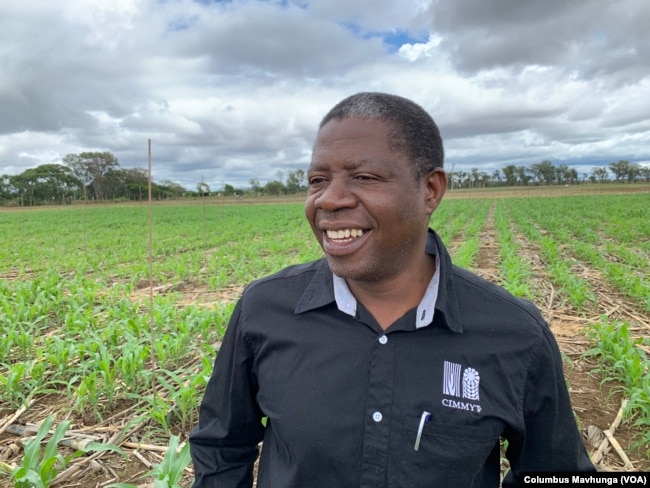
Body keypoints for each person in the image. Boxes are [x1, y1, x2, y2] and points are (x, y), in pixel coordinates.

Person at [189, 92, 595, 487]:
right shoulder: (263, 309)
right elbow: (222, 447)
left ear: (430, 190)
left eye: (364, 177)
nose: (329, 200)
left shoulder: (514, 333)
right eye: (317, 179)